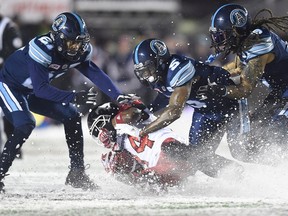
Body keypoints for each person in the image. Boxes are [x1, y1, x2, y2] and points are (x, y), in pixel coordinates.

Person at [0, 12, 133, 193]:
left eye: (79, 42)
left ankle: (76, 173)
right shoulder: (43, 48)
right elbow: (41, 89)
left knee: (71, 115)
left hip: (30, 89)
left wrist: (118, 96)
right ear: (57, 38)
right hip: (9, 85)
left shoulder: (79, 51)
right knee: (25, 123)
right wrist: (73, 96)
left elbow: (94, 72)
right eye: (71, 41)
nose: (75, 47)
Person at [198, 3, 288, 162]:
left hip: (284, 91)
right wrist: (204, 76)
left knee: (276, 132)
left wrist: (219, 90)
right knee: (255, 135)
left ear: (236, 30)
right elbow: (236, 68)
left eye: (222, 36)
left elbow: (245, 88)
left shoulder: (258, 43)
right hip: (281, 91)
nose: (219, 41)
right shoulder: (246, 42)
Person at [87, 102, 242, 193]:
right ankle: (233, 174)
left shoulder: (125, 119)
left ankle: (235, 172)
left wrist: (112, 125)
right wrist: (121, 171)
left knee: (186, 156)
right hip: (160, 169)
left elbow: (134, 113)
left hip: (169, 148)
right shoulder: (119, 146)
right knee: (144, 182)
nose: (101, 136)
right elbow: (132, 174)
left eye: (99, 130)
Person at [0, 15, 23, 157]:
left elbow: (16, 49)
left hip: (5, 74)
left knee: (8, 110)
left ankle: (14, 146)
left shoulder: (8, 26)